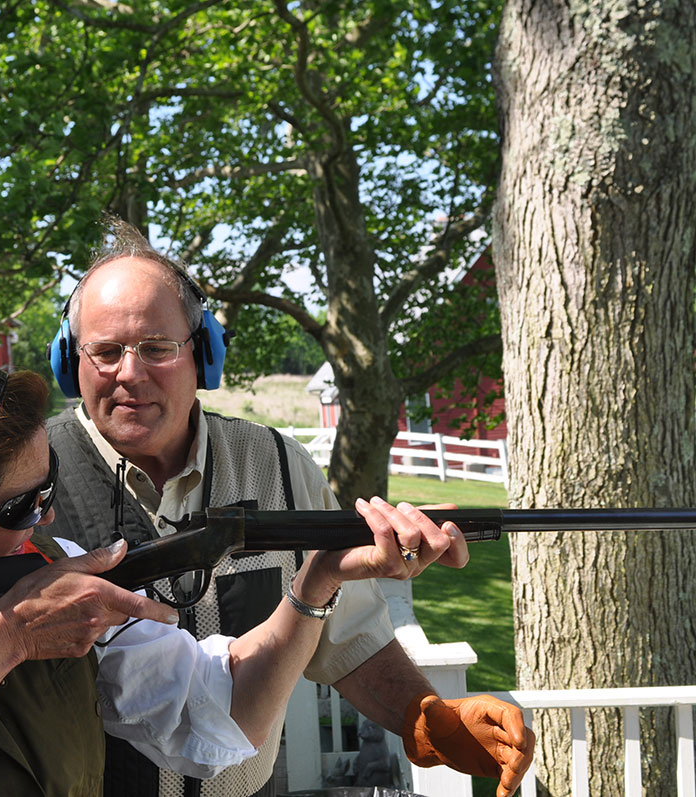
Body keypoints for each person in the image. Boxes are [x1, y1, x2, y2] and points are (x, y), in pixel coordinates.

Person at [0, 344, 531, 796]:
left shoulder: (40, 570)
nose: (47, 520)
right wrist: (1, 641)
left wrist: (314, 585)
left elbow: (218, 710)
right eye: (21, 507)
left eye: (47, 489)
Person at [44, 219, 535, 797]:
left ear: (203, 356)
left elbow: (349, 637)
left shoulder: (277, 465)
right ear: (70, 362)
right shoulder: (30, 481)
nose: (130, 373)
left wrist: (423, 716)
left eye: (157, 348)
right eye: (104, 352)